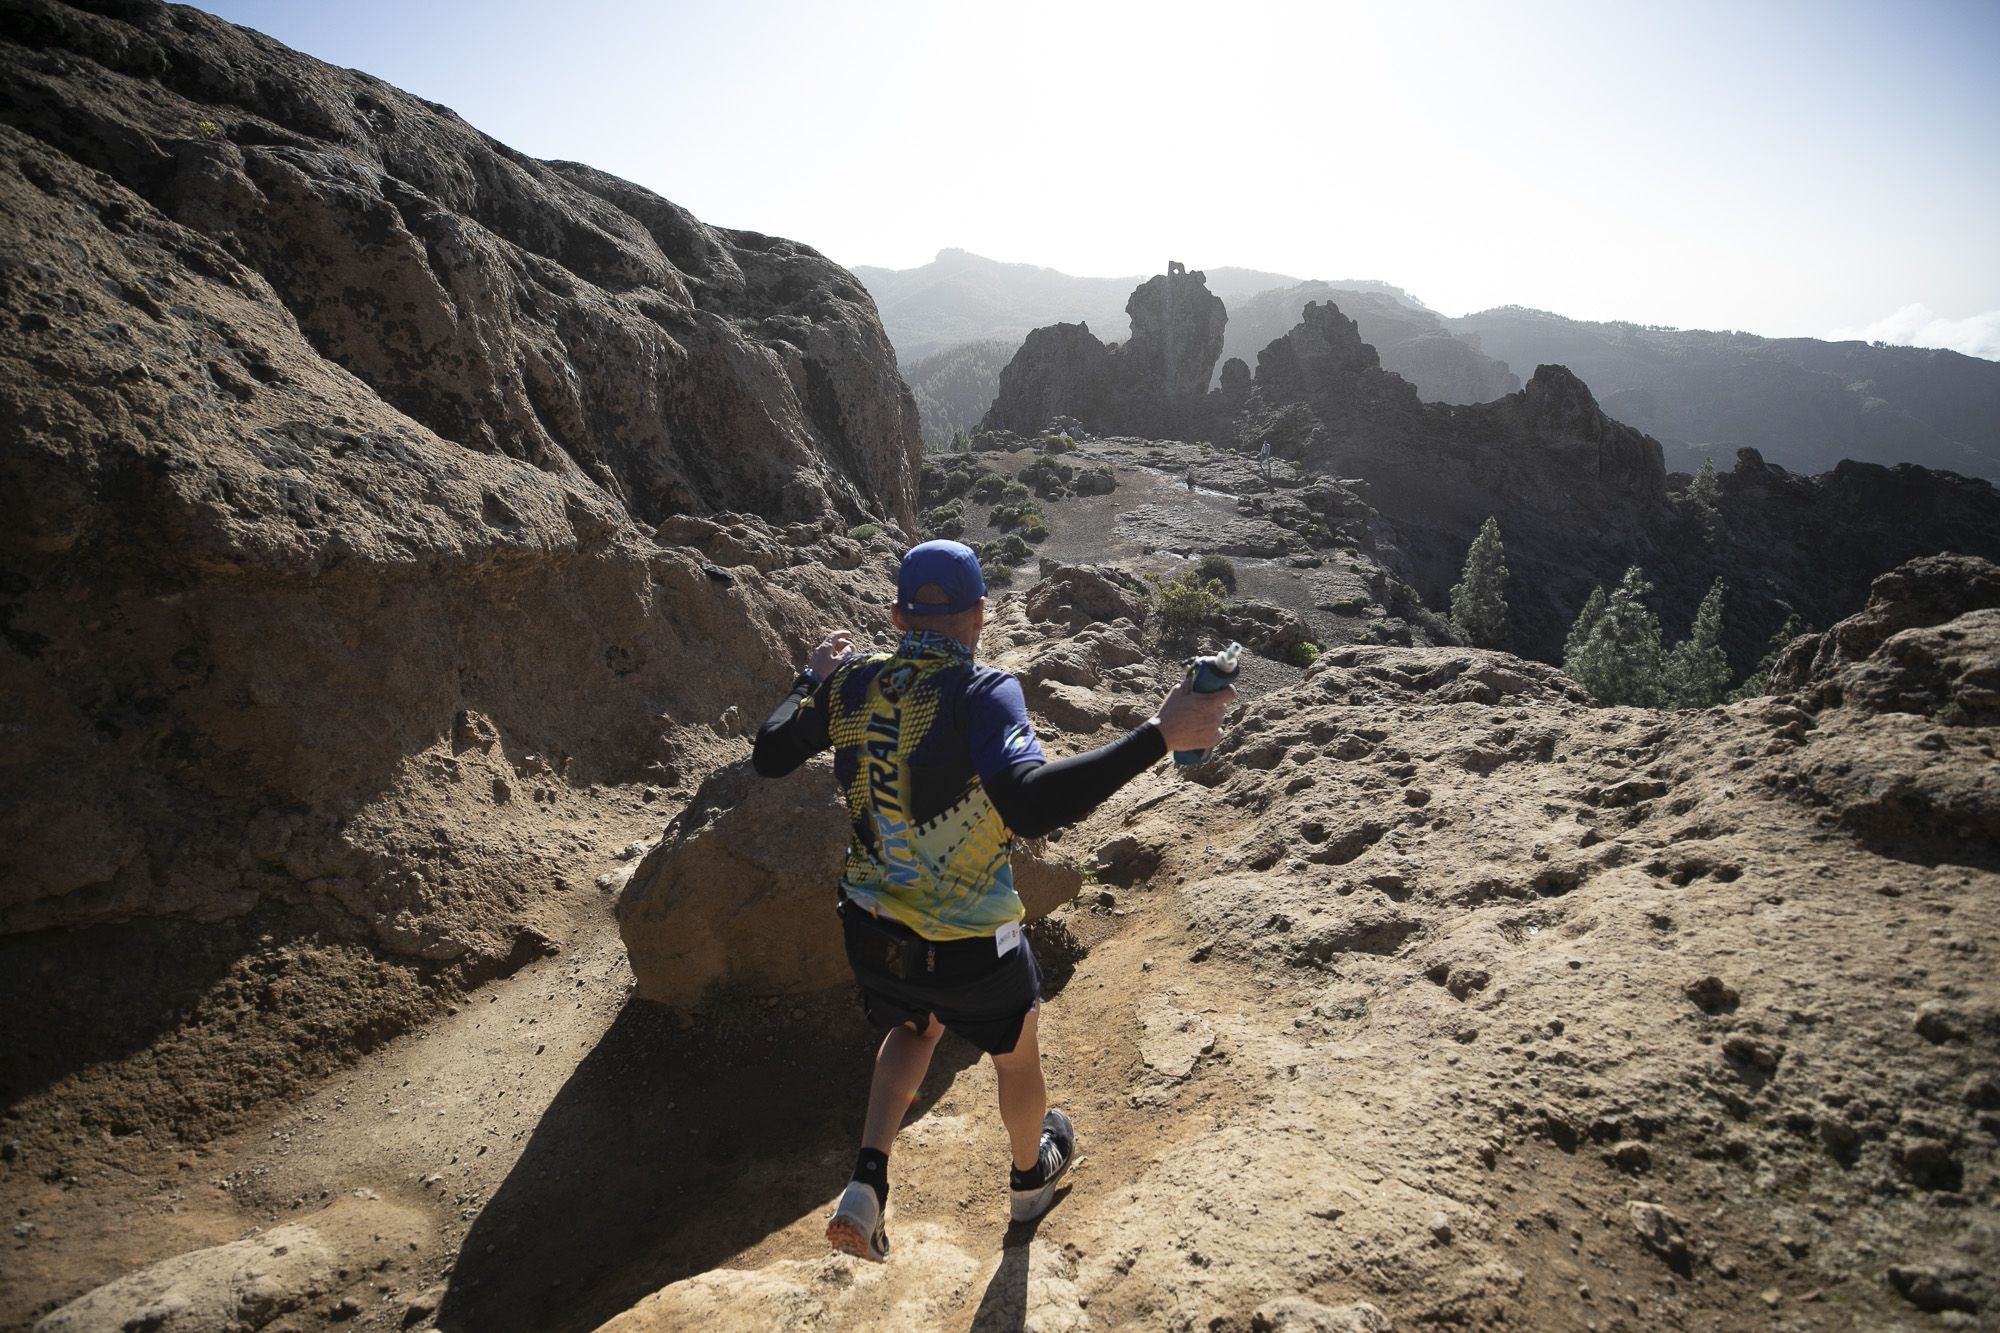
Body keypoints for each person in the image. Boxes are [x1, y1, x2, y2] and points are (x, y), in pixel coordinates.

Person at [751, 540, 1234, 1262]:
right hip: (969, 948)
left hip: (871, 930)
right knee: (1016, 1051)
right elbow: (1031, 805)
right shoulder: (982, 693)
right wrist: (1159, 735)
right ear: (981, 616)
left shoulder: (848, 683)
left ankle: (868, 1179)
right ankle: (1028, 1177)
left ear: (896, 614)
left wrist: (808, 677)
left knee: (915, 1025)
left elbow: (769, 753)